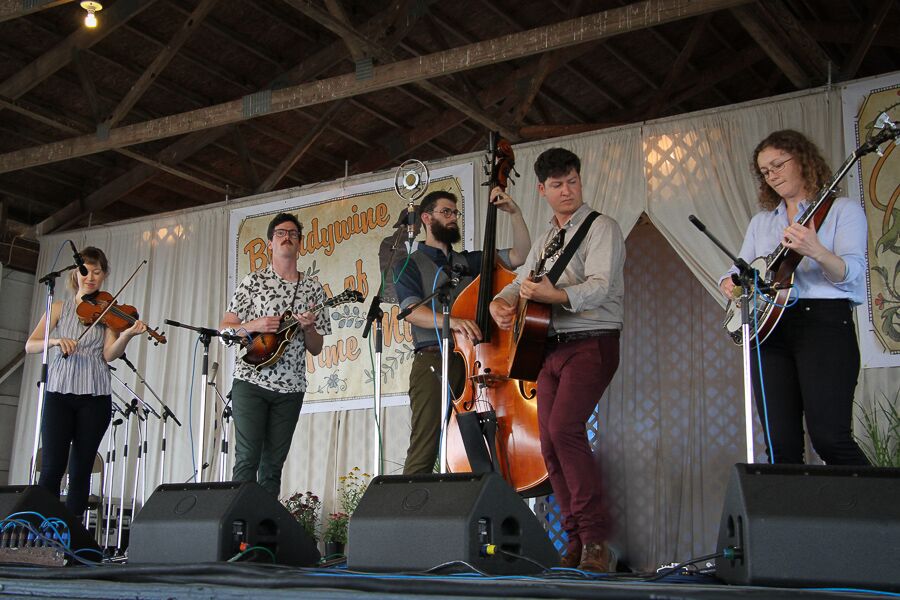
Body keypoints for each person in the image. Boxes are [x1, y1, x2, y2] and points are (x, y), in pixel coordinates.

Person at [490, 148, 625, 573]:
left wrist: (557, 295)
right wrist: (500, 301)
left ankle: (597, 540)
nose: (567, 191)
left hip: (592, 340)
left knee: (565, 430)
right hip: (546, 347)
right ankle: (575, 540)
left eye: (573, 182)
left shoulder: (602, 227)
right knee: (548, 443)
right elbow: (521, 281)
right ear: (542, 190)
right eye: (557, 185)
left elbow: (601, 286)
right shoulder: (547, 238)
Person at [718, 129, 870, 466]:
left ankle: (882, 500)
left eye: (778, 165)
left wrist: (816, 250)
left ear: (802, 159)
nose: (772, 176)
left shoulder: (843, 210)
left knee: (830, 439)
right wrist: (729, 283)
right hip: (769, 331)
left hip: (824, 324)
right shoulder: (761, 222)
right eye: (765, 172)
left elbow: (852, 274)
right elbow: (739, 269)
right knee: (780, 447)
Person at [394, 189, 530, 475]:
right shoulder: (409, 264)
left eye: (455, 213)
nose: (453, 217)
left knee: (478, 443)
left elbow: (520, 255)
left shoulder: (469, 261)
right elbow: (412, 312)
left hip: (474, 361)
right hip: (433, 360)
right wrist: (453, 322)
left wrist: (515, 213)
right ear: (426, 218)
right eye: (446, 212)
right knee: (425, 443)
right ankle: (412, 502)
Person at [25, 247, 148, 520]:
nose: (90, 277)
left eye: (97, 272)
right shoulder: (59, 308)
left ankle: (72, 532)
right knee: (52, 467)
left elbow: (109, 355)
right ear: (75, 273)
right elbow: (30, 345)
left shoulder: (107, 311)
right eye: (85, 271)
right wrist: (55, 341)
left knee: (81, 470)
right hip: (59, 392)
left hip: (95, 396)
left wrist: (126, 335)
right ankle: (43, 531)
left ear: (104, 275)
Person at [220, 212, 331, 496]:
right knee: (247, 459)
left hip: (291, 389)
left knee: (272, 467)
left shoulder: (313, 288)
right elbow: (225, 329)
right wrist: (254, 325)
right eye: (280, 233)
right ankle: (239, 519)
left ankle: (264, 523)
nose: (287, 237)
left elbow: (316, 348)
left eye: (293, 234)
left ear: (300, 243)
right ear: (270, 243)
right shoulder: (253, 282)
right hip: (251, 381)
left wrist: (309, 328)